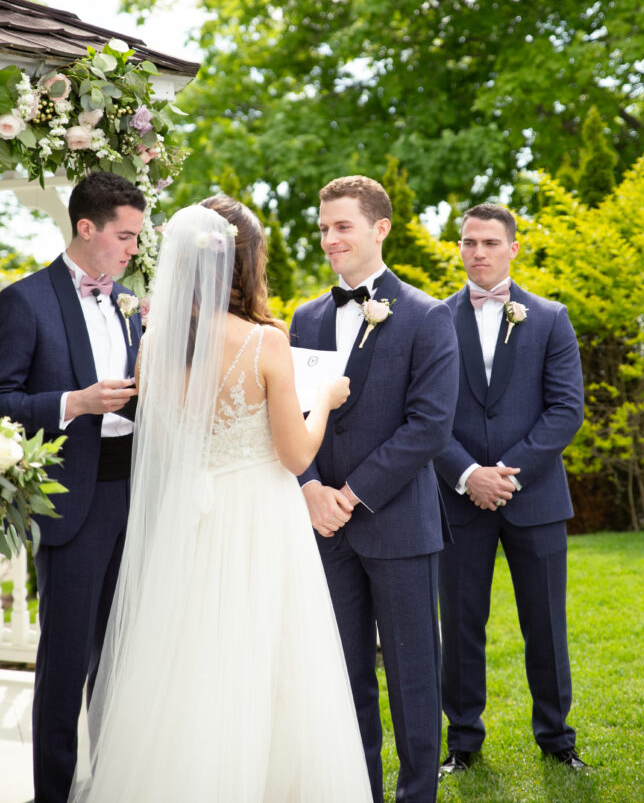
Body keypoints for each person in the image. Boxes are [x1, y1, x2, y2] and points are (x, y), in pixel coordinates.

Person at [67, 196, 373, 803]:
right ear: (248, 263)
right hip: (260, 519)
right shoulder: (264, 342)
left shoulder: (154, 344)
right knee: (267, 662)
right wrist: (326, 402)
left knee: (190, 661)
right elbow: (295, 457)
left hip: (190, 520)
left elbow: (165, 441)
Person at [290, 175, 460, 803]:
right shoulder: (305, 317)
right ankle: (358, 790)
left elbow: (429, 426)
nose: (330, 238)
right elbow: (289, 415)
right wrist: (310, 488)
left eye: (343, 226)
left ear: (379, 228)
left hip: (397, 523)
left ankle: (418, 794)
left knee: (414, 678)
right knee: (344, 676)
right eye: (324, 226)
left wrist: (350, 494)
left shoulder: (427, 315)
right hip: (323, 530)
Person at [0, 172, 145, 803]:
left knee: (120, 660)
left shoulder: (127, 301)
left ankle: (106, 783)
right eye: (125, 235)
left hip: (134, 500)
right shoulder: (25, 301)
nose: (133, 249)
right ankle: (52, 795)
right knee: (66, 667)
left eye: (137, 238)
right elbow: (3, 400)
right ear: (86, 229)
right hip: (72, 508)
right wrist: (73, 403)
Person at [435, 203, 589, 776]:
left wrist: (505, 473)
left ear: (513, 248)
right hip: (457, 498)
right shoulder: (434, 318)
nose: (478, 252)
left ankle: (557, 738)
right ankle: (464, 743)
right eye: (470, 242)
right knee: (462, 623)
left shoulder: (550, 318)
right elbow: (425, 413)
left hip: (537, 499)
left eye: (490, 243)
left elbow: (565, 409)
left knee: (546, 625)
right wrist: (467, 475)